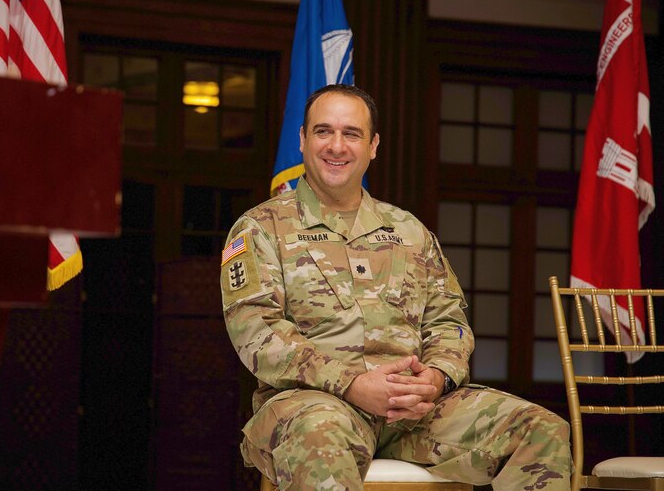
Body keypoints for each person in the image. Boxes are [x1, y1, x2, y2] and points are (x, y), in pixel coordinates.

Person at [220, 84, 571, 490]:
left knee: (541, 430)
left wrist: (437, 377)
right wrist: (352, 384)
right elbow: (256, 332)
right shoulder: (260, 228)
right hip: (316, 404)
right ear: (302, 140)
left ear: (373, 146)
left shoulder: (409, 231)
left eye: (351, 133)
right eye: (323, 131)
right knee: (320, 437)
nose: (337, 146)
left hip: (414, 413)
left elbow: (449, 321)